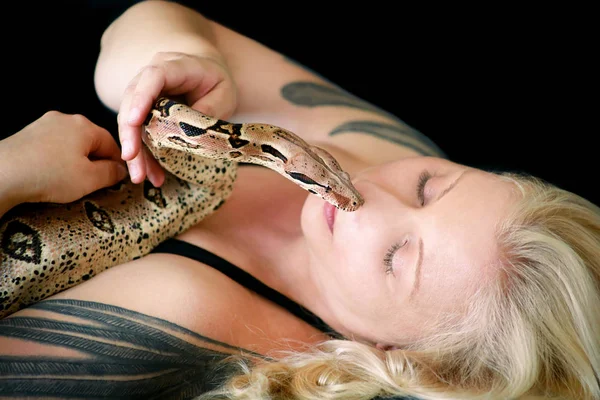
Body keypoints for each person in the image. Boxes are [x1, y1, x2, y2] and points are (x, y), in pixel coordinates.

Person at [0, 1, 598, 399]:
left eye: (397, 258)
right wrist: (180, 60)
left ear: (409, 356)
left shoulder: (195, 307)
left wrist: (13, 169)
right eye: (430, 186)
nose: (371, 194)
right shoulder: (379, 150)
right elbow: (148, 17)